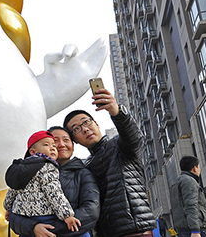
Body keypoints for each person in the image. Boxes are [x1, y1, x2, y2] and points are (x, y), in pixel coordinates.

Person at [63, 88, 156, 237]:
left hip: (136, 231)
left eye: (86, 122)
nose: (85, 129)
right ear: (76, 141)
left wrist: (117, 112)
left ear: (96, 124)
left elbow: (134, 138)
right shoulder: (84, 167)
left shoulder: (118, 146)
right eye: (77, 129)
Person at [7, 127, 100, 237]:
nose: (60, 145)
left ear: (73, 146)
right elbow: (13, 215)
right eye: (54, 141)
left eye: (66, 140)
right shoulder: (31, 171)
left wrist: (48, 230)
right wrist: (34, 228)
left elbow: (90, 212)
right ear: (33, 150)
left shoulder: (83, 174)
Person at [170, 156, 206, 237]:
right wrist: (195, 231)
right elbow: (191, 206)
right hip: (196, 230)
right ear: (195, 168)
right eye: (199, 167)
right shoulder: (189, 181)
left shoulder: (175, 183)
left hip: (182, 230)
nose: (199, 170)